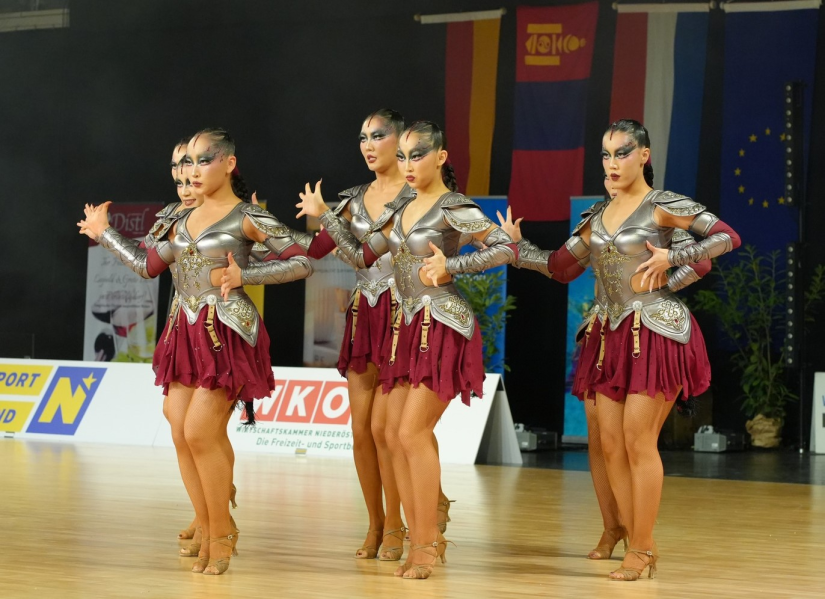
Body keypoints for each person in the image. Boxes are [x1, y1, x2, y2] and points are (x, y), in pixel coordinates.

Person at [501, 119, 739, 580]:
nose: (611, 163)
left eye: (622, 153)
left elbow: (726, 238)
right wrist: (516, 247)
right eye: (606, 155)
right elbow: (559, 267)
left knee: (636, 439)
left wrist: (673, 258)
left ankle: (643, 549)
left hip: (656, 331)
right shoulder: (596, 216)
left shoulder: (664, 205)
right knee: (609, 443)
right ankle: (628, 534)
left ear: (644, 156)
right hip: (608, 334)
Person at [77, 128, 313, 575]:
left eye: (204, 160)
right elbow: (147, 266)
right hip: (183, 331)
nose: (193, 170)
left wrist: (246, 276)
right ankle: (208, 526)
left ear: (229, 163)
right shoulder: (177, 217)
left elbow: (302, 261)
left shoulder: (247, 216)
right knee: (181, 431)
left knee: (201, 431)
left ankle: (221, 534)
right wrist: (104, 233)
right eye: (189, 162)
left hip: (226, 331)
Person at [295, 121, 518, 579]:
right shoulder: (398, 211)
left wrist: (452, 265)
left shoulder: (454, 205)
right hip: (404, 326)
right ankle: (414, 534)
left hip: (442, 323)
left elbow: (504, 248)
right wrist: (325, 216)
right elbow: (361, 256)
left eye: (416, 154)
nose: (408, 164)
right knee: (390, 432)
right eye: (404, 156)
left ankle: (425, 543)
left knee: (410, 433)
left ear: (441, 157)